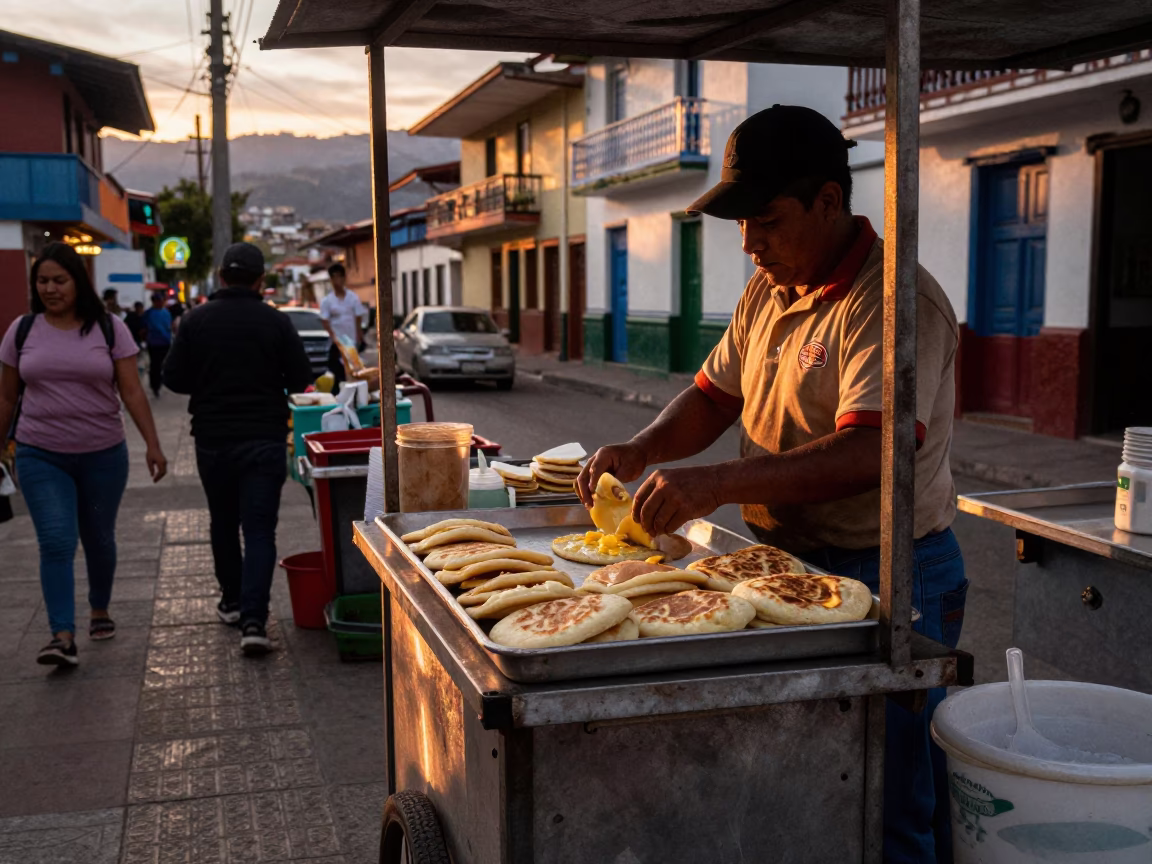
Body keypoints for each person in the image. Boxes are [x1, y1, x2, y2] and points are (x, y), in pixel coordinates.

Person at [577, 106, 966, 864]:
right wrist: (641, 449)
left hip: (889, 570)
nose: (750, 244)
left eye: (767, 219)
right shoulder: (770, 288)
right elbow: (714, 397)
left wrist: (716, 482)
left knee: (889, 792)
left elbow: (872, 453)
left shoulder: (892, 303)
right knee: (807, 775)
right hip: (784, 565)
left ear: (828, 201)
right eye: (740, 225)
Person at [0, 243, 167, 666]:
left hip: (102, 455)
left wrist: (152, 442)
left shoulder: (109, 328)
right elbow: (6, 397)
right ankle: (61, 634)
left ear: (78, 282)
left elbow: (131, 390)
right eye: (42, 281)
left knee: (99, 538)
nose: (50, 289)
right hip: (39, 454)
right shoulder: (21, 331)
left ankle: (99, 608)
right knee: (56, 540)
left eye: (60, 280)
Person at [163, 243, 313, 655]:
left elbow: (172, 378)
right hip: (264, 439)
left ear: (221, 277)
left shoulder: (195, 321)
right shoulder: (276, 322)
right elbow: (302, 378)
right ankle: (253, 621)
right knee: (260, 529)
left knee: (223, 523)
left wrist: (210, 382)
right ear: (261, 281)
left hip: (212, 440)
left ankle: (231, 601)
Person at [318, 263, 366, 385]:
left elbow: (358, 317)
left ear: (344, 278)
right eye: (333, 277)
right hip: (337, 344)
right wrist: (333, 337)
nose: (336, 280)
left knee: (354, 374)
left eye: (339, 276)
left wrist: (359, 335)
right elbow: (325, 321)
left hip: (351, 344)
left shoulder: (353, 297)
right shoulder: (327, 301)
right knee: (336, 376)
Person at [141, 292, 173, 398]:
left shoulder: (166, 312)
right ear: (154, 302)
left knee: (164, 364)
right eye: (158, 301)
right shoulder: (148, 313)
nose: (160, 303)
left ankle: (161, 382)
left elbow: (170, 326)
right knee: (155, 365)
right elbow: (143, 328)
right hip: (154, 343)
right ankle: (155, 385)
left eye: (161, 300)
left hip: (166, 342)